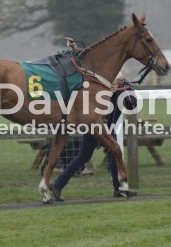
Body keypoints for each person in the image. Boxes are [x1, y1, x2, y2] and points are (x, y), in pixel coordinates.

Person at [50, 73, 137, 201]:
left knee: (90, 156)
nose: (121, 82)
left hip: (101, 128)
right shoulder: (105, 95)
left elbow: (131, 105)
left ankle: (58, 184)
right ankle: (118, 188)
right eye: (119, 81)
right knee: (91, 155)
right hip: (97, 128)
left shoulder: (114, 93)